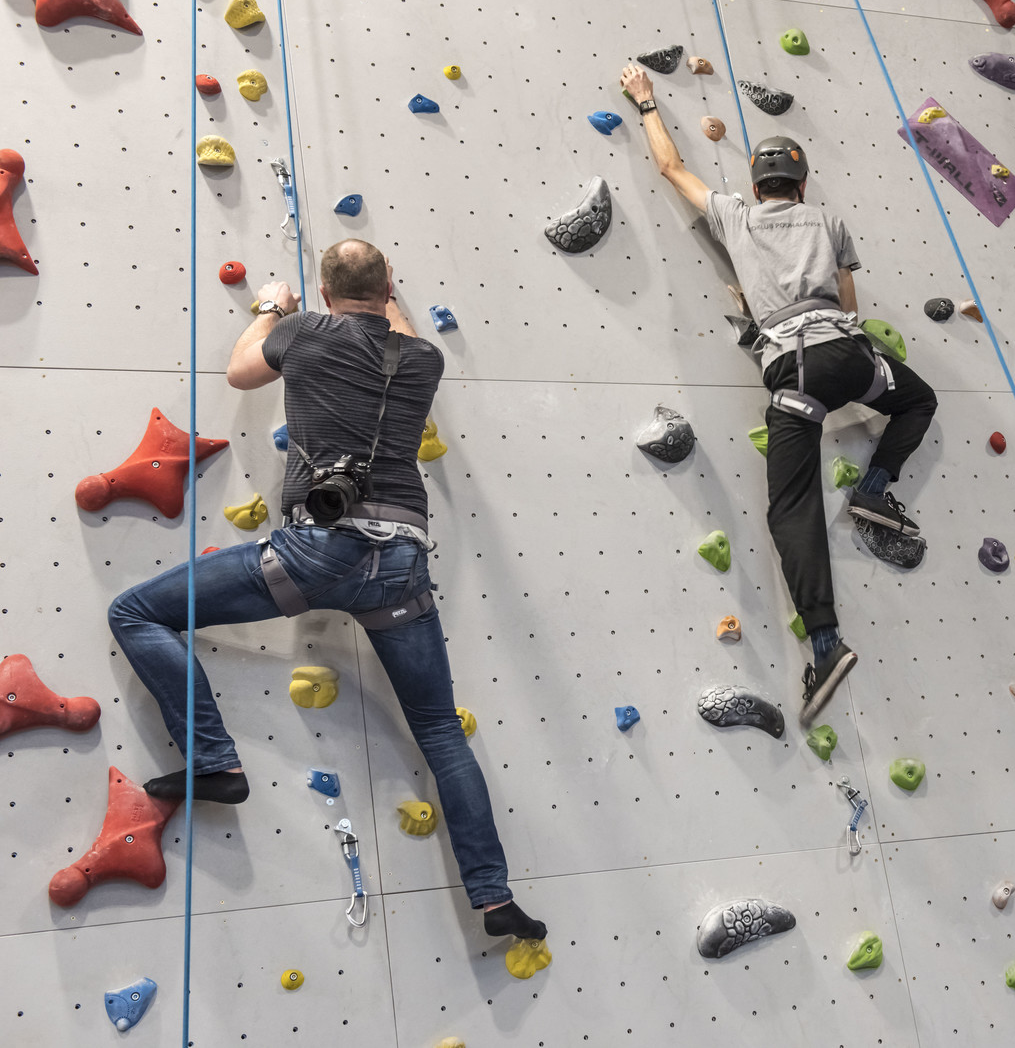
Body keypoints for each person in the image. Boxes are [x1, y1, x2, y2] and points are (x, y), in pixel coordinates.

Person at [107, 239, 546, 945]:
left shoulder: (304, 331)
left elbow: (240, 370)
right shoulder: (423, 360)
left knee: (134, 612)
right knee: (440, 732)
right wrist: (385, 294)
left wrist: (270, 306)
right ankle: (494, 898)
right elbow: (397, 332)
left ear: (321, 292)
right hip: (401, 564)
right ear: (389, 287)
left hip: (314, 553)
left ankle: (214, 760)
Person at [619, 63, 939, 727]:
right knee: (916, 400)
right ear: (802, 184)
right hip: (850, 358)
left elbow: (672, 168)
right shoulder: (829, 220)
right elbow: (849, 304)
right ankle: (875, 489)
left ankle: (825, 644)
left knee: (793, 507)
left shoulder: (735, 217)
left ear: (755, 184)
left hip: (796, 375)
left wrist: (647, 103)